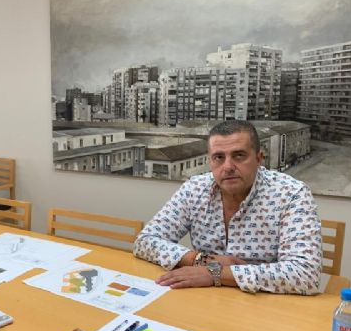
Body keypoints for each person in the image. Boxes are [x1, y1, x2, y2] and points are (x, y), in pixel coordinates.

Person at [134, 120, 322, 295]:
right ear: (210, 161)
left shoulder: (291, 194)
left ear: (259, 158)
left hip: (263, 302)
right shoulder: (194, 189)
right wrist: (200, 260)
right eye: (218, 157)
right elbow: (145, 241)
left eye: (239, 156)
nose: (228, 167)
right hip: (204, 297)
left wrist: (214, 273)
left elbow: (306, 274)